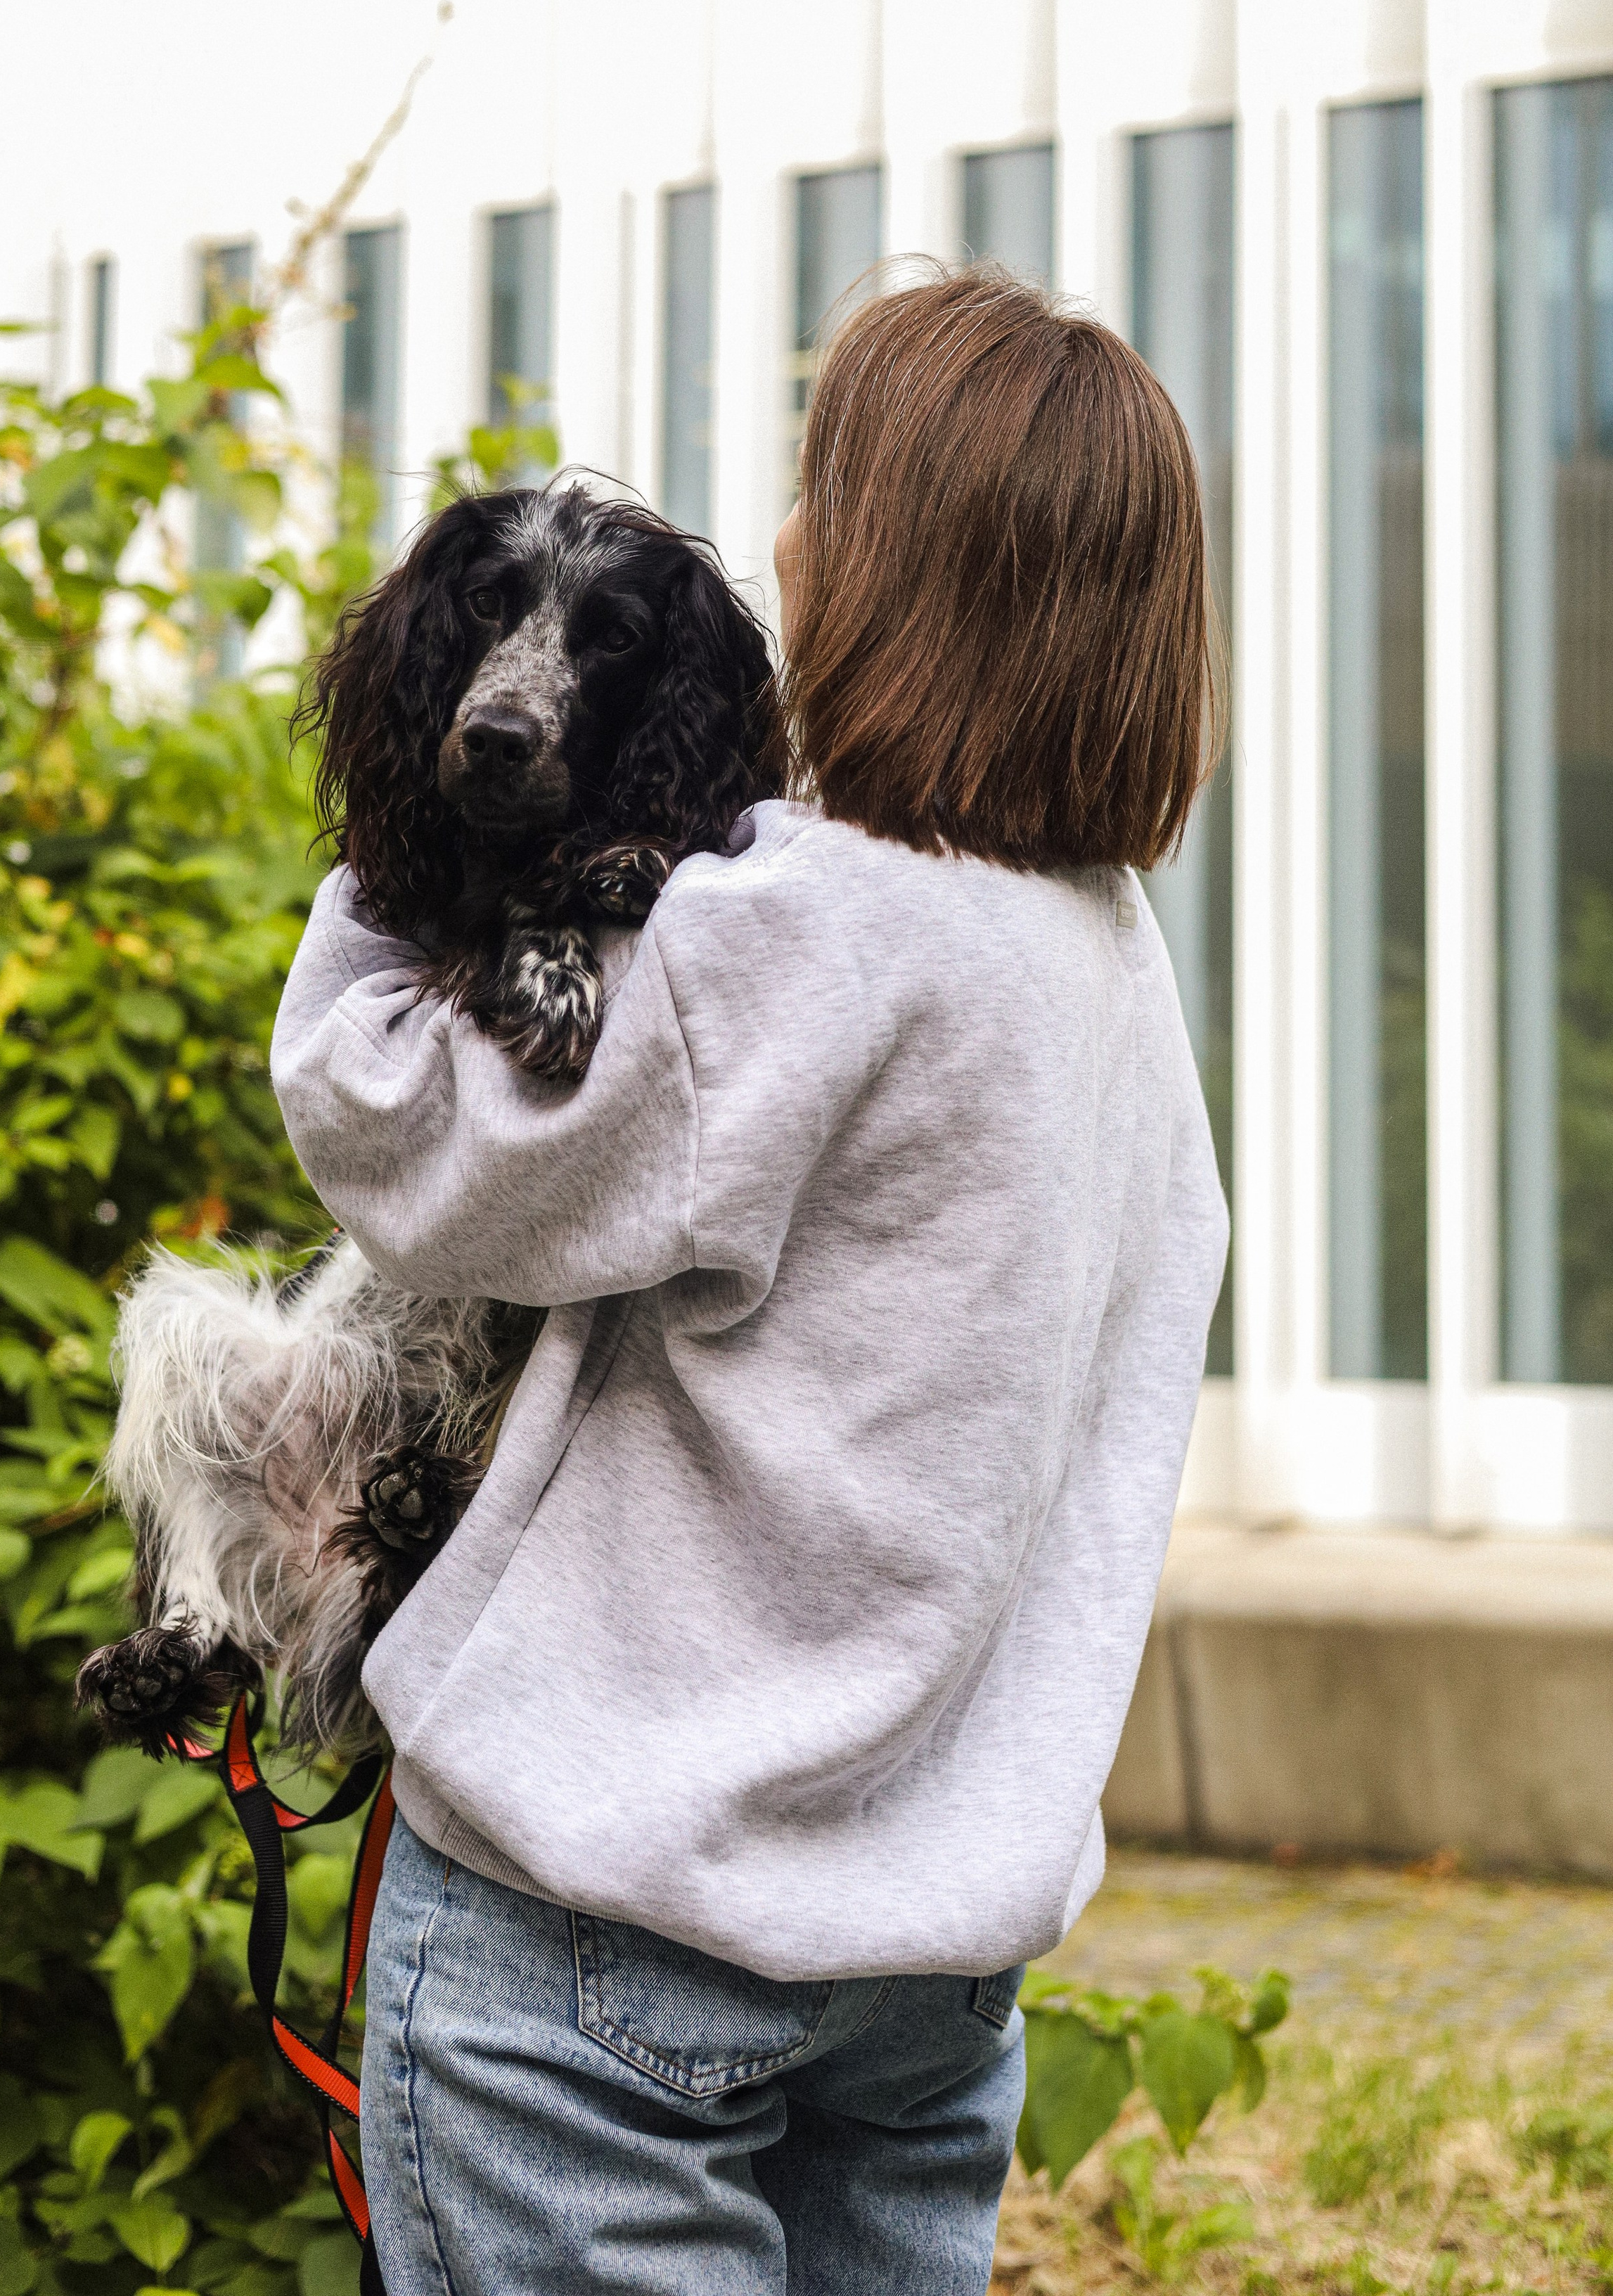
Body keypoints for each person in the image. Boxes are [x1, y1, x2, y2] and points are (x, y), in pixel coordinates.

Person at [270, 264, 1230, 2296]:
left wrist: (400, 835)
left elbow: (398, 1137)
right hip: (927, 1959)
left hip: (613, 1952)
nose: (781, 532)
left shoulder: (800, 931)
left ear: (882, 565)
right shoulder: (1111, 964)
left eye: (818, 487)